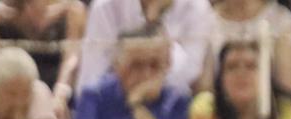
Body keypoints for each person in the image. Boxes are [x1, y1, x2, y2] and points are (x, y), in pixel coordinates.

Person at [75, 0, 212, 96]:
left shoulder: (197, 6)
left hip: (169, 107)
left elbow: (189, 71)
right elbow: (90, 79)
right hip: (114, 104)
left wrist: (154, 22)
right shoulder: (105, 6)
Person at [203, 0, 291, 97]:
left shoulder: (282, 21)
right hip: (218, 106)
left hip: (273, 106)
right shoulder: (206, 20)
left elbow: (287, 88)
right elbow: (204, 89)